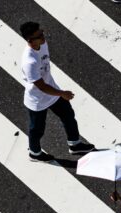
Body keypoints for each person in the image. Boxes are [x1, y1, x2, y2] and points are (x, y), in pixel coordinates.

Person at [19, 21, 95, 162]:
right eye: (39, 35)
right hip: (38, 99)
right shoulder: (29, 62)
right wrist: (62, 93)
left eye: (42, 33)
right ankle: (34, 153)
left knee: (68, 115)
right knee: (37, 129)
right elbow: (41, 86)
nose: (43, 37)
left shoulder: (42, 44)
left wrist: (58, 93)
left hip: (52, 91)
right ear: (30, 40)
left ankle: (74, 144)